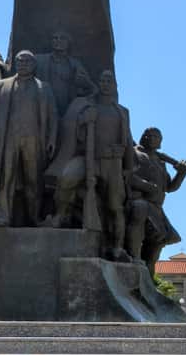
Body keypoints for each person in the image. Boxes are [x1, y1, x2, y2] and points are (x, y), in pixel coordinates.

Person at [44, 70, 132, 260]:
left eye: (109, 80)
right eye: (102, 80)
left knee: (115, 207)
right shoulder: (87, 106)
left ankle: (117, 247)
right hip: (89, 158)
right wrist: (83, 122)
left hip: (112, 163)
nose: (105, 83)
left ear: (115, 85)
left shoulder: (122, 112)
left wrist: (127, 168)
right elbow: (71, 131)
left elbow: (128, 142)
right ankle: (61, 215)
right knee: (67, 178)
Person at [0, 50, 58, 227]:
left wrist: (52, 140)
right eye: (19, 61)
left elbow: (53, 117)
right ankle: (3, 216)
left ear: (34, 65)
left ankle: (35, 217)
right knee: (5, 178)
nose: (23, 64)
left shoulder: (44, 88)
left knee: (34, 180)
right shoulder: (2, 85)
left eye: (27, 61)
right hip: (7, 139)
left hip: (34, 140)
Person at [126, 127, 186, 274]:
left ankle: (148, 278)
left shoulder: (160, 161)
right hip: (138, 202)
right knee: (139, 211)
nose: (155, 140)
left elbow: (169, 187)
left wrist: (181, 174)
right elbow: (127, 176)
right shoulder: (133, 153)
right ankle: (132, 258)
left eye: (158, 138)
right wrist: (147, 186)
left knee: (156, 245)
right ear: (145, 137)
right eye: (152, 136)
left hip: (156, 208)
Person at [34, 30, 98, 115]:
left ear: (69, 43)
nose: (58, 41)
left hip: (68, 109)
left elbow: (89, 87)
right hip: (44, 106)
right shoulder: (39, 60)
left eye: (62, 38)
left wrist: (85, 83)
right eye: (55, 38)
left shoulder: (76, 64)